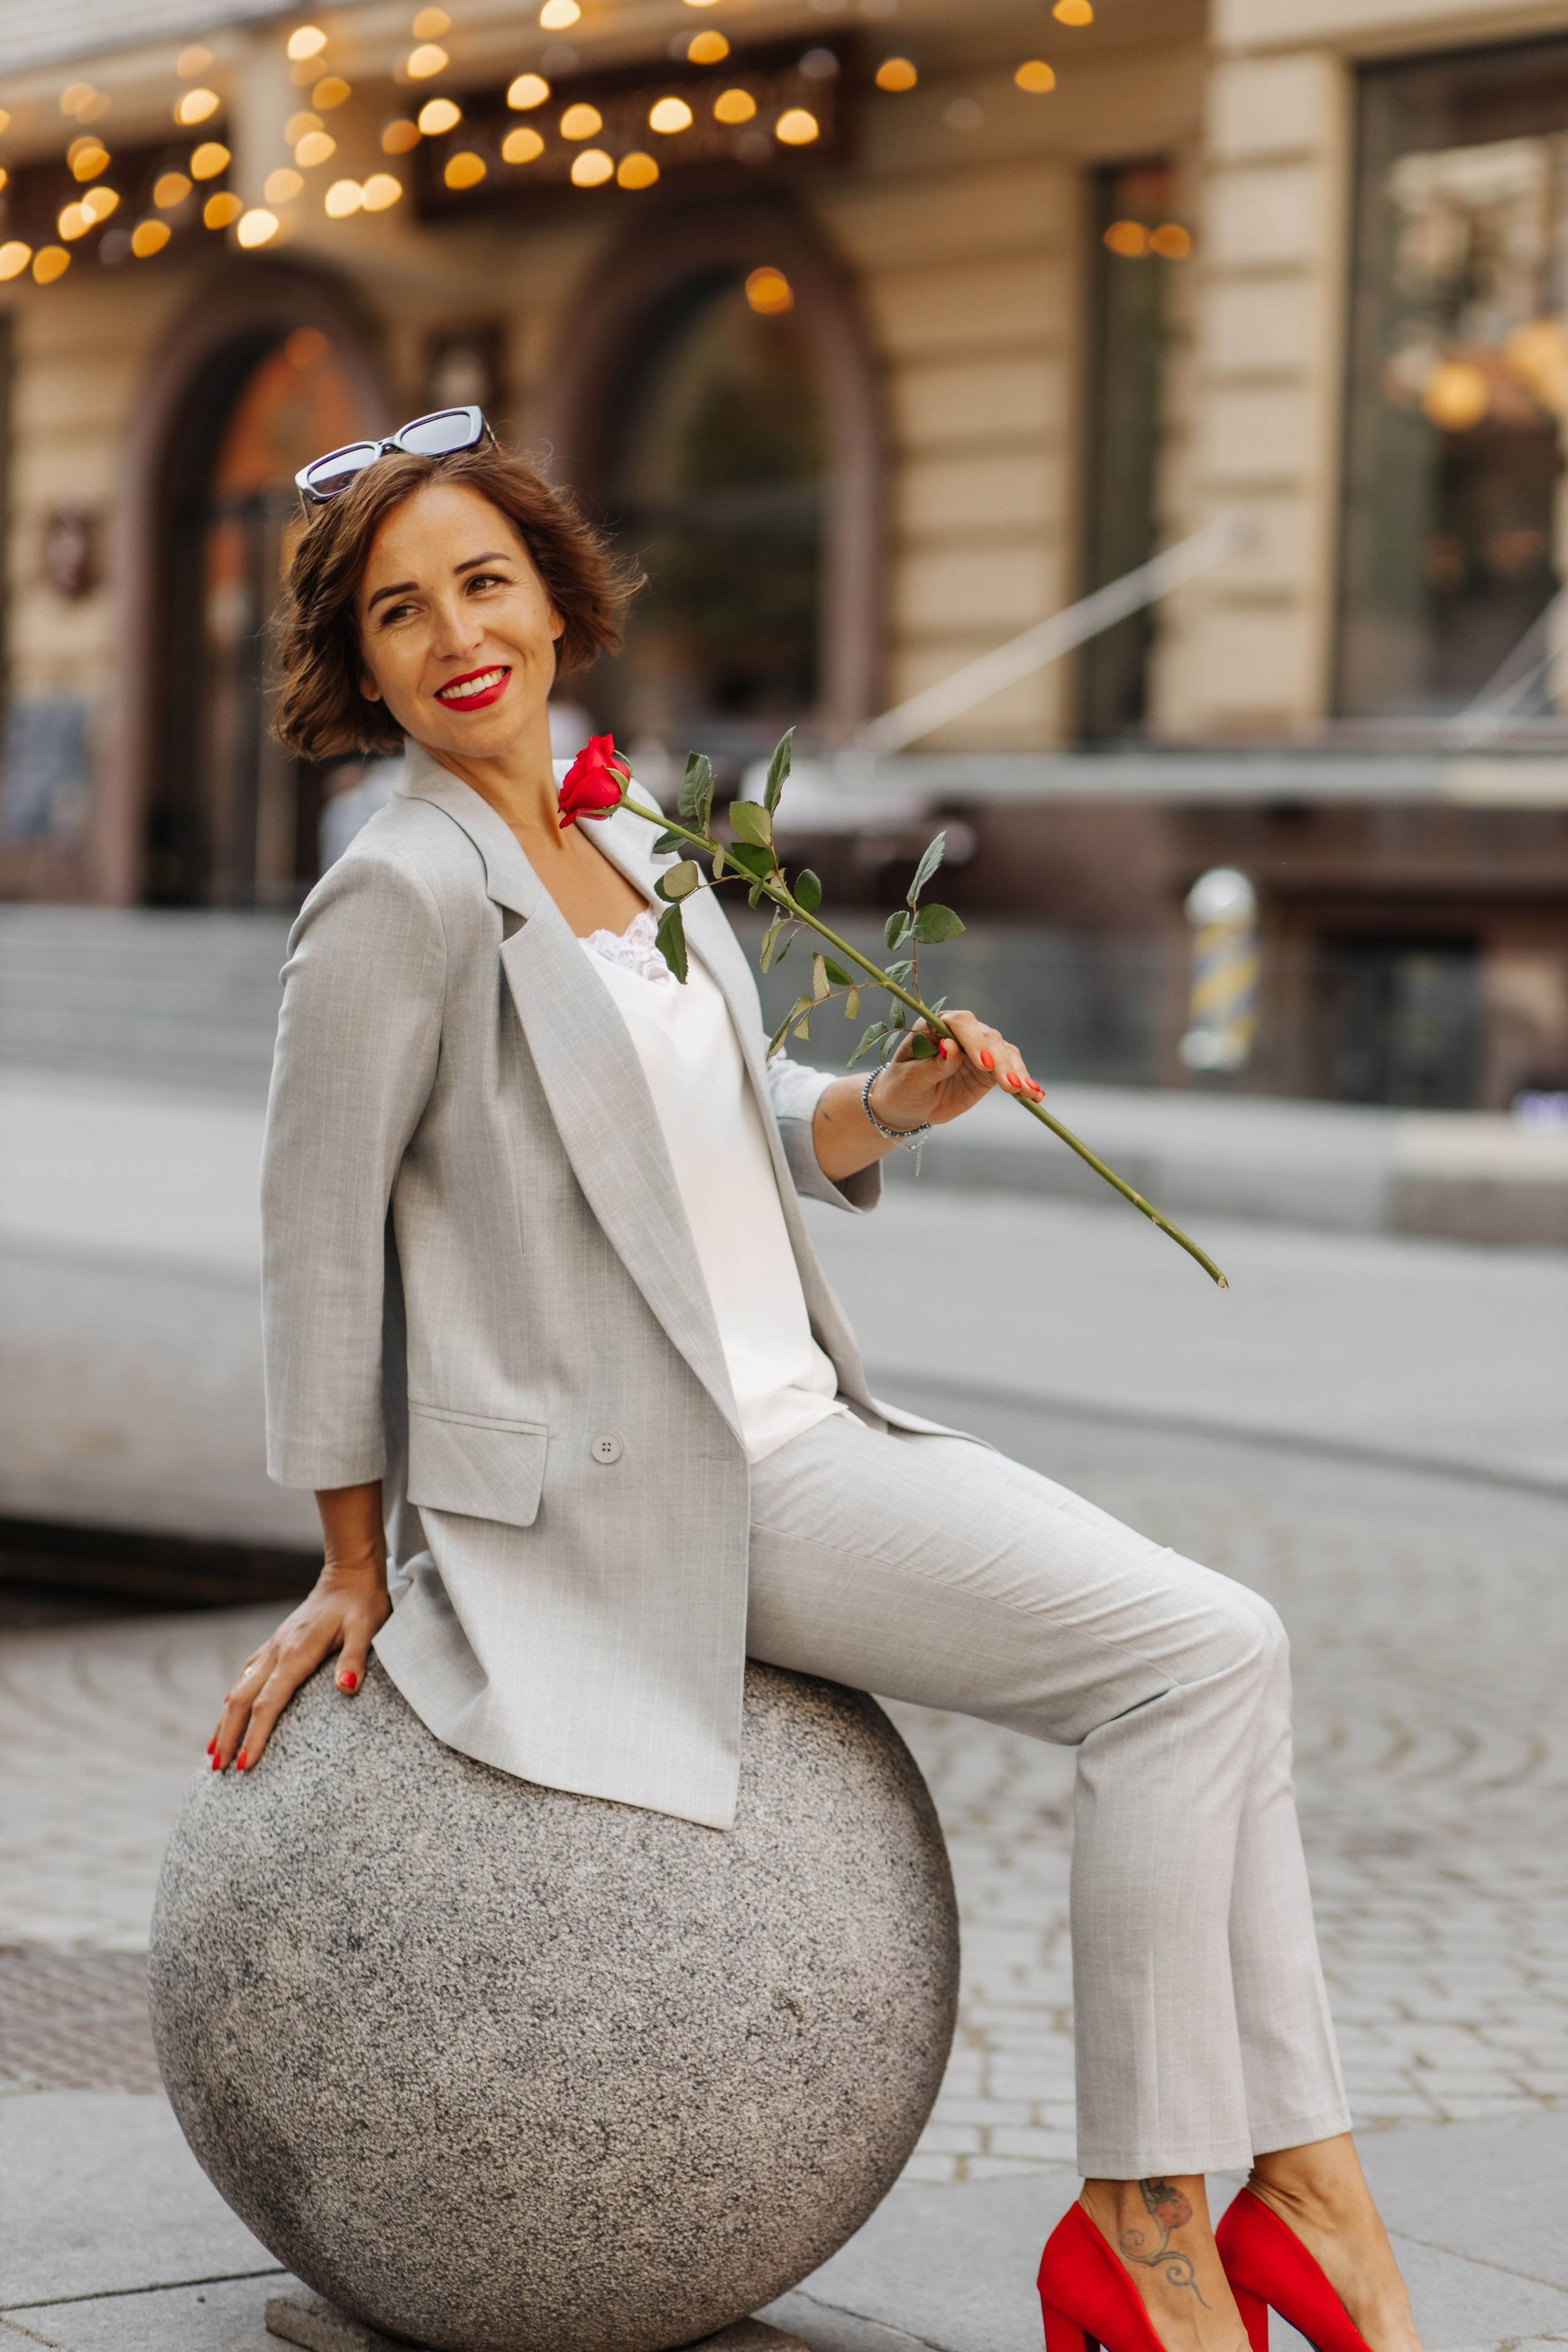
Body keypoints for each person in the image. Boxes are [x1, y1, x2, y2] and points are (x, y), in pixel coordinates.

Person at [211, 416, 1423, 2352]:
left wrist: (886, 1102)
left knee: (1227, 1656)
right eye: (398, 610)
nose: (456, 634)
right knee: (1191, 1657)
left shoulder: (627, 829)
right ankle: (1151, 2221)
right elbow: (312, 1238)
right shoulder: (400, 897)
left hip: (797, 1419)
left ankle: (1304, 2196)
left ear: (555, 595)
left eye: (485, 581)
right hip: (651, 1481)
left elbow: (713, 1112)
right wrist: (355, 1558)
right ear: (354, 667)